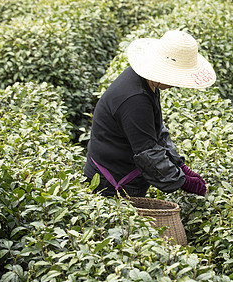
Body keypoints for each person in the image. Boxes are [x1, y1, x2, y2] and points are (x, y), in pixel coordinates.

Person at [84, 30, 216, 198]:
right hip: (111, 183)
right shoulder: (135, 99)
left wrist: (180, 165)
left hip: (122, 173)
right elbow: (148, 154)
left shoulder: (147, 83)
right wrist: (183, 182)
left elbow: (157, 131)